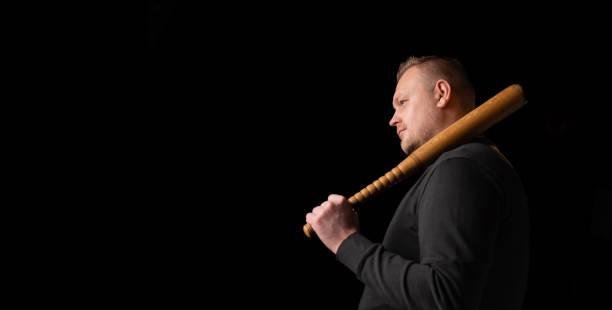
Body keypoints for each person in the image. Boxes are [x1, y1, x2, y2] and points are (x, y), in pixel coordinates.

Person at [305, 56, 529, 310]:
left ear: (442, 93)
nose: (393, 119)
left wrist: (345, 242)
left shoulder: (461, 167)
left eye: (402, 102)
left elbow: (445, 297)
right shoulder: (471, 165)